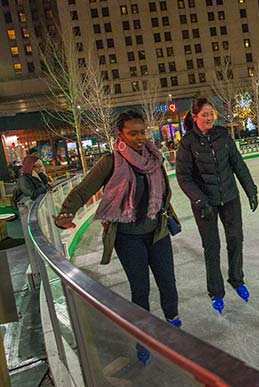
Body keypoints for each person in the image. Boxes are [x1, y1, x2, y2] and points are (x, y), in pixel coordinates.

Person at [53, 110, 181, 364]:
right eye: (133, 133)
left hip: (157, 231)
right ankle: (142, 337)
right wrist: (66, 211)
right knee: (140, 289)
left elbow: (163, 191)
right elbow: (84, 189)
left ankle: (173, 324)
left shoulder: (154, 157)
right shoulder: (111, 161)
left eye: (142, 132)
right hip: (127, 236)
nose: (140, 137)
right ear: (120, 135)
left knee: (168, 282)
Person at [176, 97, 258, 314]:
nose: (209, 117)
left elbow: (237, 164)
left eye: (211, 113)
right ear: (195, 117)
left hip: (229, 196)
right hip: (205, 203)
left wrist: (251, 189)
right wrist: (199, 199)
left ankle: (237, 279)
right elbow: (184, 177)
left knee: (236, 238)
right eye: (204, 114)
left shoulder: (222, 135)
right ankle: (216, 292)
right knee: (211, 247)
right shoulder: (187, 144)